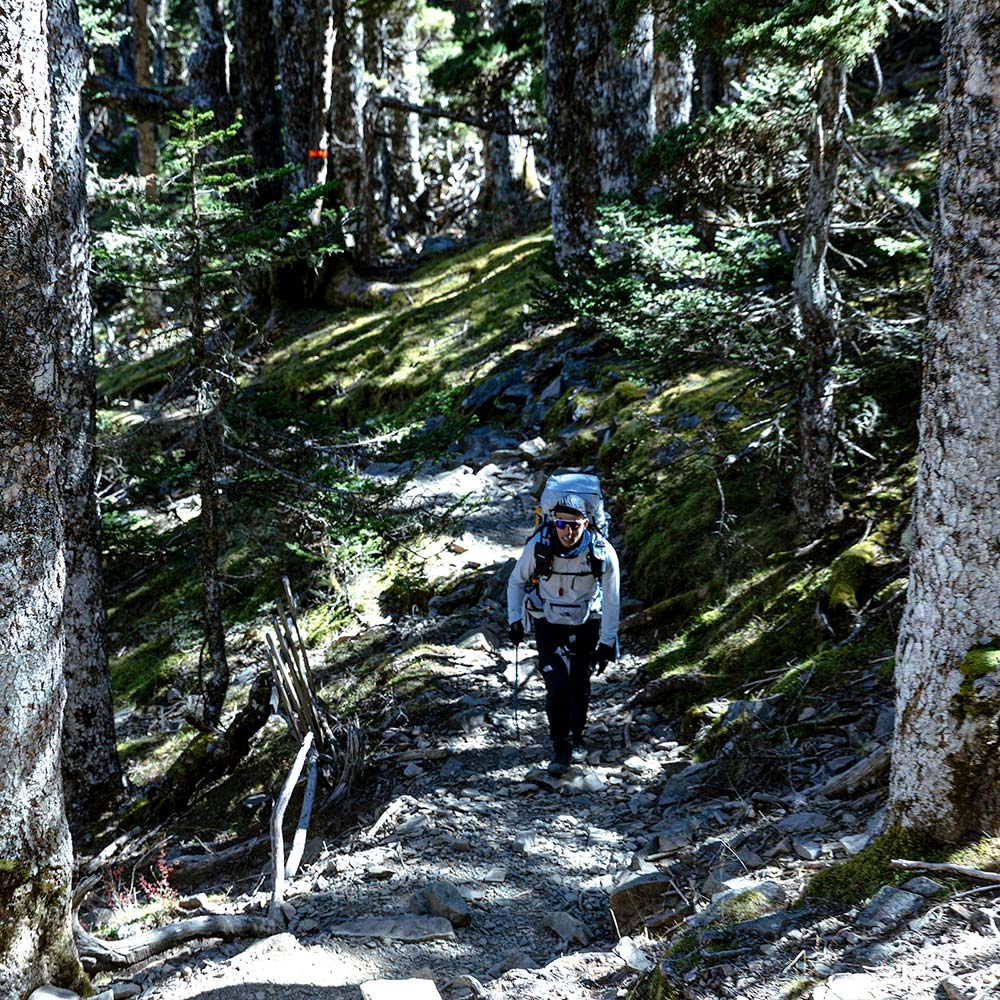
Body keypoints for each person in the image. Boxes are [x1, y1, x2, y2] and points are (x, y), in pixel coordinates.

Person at [506, 493, 620, 775]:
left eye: (574, 525)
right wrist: (515, 620)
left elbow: (612, 598)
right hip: (548, 620)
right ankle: (562, 747)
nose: (567, 532)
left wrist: (607, 642)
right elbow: (516, 581)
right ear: (554, 522)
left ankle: (577, 736)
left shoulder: (601, 551)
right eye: (561, 524)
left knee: (579, 682)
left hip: (586, 621)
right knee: (557, 683)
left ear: (586, 524)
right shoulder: (539, 546)